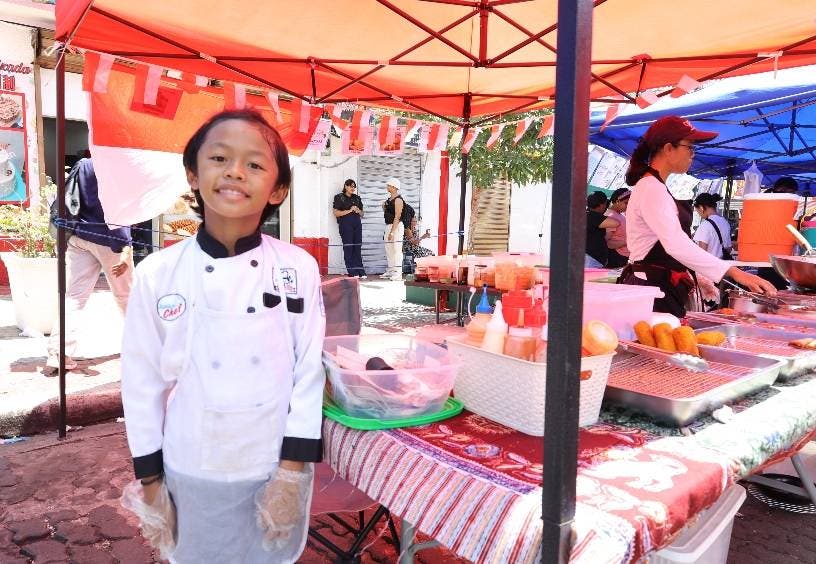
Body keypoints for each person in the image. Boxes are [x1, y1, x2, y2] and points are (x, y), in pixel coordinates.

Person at [119, 109, 325, 563]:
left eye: (254, 164)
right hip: (192, 463)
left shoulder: (298, 268)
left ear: (278, 189)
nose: (235, 171)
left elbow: (309, 371)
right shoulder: (158, 274)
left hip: (272, 462)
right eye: (219, 158)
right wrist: (151, 484)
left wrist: (291, 474)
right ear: (193, 174)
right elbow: (141, 383)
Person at [619, 115, 775, 317]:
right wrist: (734, 272)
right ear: (668, 148)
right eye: (690, 147)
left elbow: (677, 243)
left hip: (658, 284)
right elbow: (675, 244)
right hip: (651, 287)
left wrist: (702, 274)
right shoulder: (651, 188)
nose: (693, 154)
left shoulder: (655, 186)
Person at [46, 157, 133, 373]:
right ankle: (142, 346)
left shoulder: (84, 164)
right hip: (109, 239)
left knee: (75, 295)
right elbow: (119, 210)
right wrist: (126, 247)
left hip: (78, 236)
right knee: (127, 296)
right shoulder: (118, 167)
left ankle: (58, 351)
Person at [332, 178, 366, 278]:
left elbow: (363, 214)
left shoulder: (357, 198)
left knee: (357, 247)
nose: (353, 188)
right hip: (345, 225)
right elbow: (336, 213)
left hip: (357, 224)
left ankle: (361, 271)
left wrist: (358, 210)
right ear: (346, 186)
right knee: (349, 247)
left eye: (354, 186)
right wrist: (350, 210)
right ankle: (352, 271)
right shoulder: (339, 197)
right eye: (350, 186)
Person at [692, 193, 732, 259]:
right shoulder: (725, 222)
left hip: (708, 266)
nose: (700, 215)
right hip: (721, 265)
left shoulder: (705, 225)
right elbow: (729, 248)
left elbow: (702, 253)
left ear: (701, 208)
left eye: (698, 212)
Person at [585, 191, 619, 268]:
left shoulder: (587, 214)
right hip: (591, 260)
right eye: (605, 204)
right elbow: (615, 223)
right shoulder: (592, 215)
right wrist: (611, 210)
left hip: (591, 259)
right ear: (601, 205)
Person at [381, 177, 405, 281]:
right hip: (388, 225)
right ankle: (390, 270)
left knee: (397, 249)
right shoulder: (388, 200)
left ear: (394, 187)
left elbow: (397, 216)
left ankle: (398, 273)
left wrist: (392, 232)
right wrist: (384, 207)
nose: (387, 187)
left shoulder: (398, 200)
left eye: (389, 185)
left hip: (396, 226)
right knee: (389, 249)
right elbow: (388, 214)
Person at [605, 188, 631, 268]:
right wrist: (628, 242)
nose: (628, 206)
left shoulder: (619, 215)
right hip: (616, 257)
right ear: (617, 201)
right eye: (626, 203)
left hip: (622, 257)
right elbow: (607, 243)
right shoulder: (611, 216)